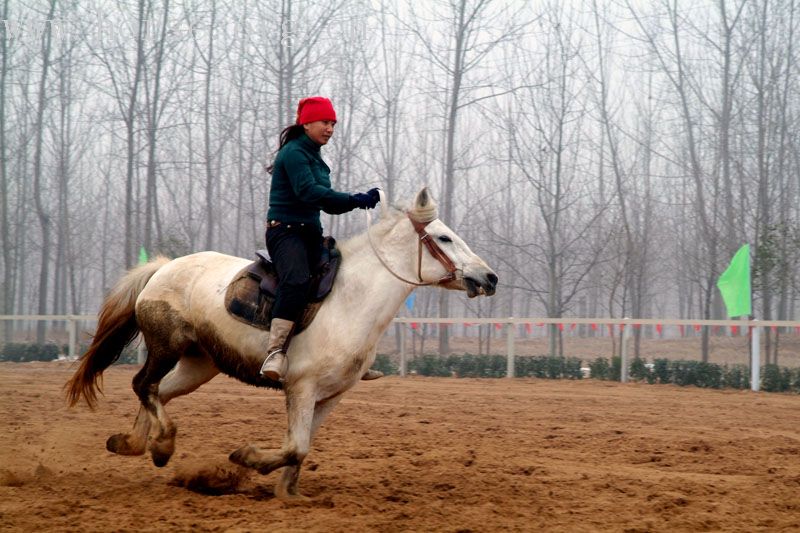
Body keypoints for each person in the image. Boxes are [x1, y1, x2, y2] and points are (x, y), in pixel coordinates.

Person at [260, 96, 381, 382]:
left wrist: (360, 201)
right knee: (297, 280)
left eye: (333, 123)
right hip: (285, 233)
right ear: (307, 123)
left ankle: (348, 356)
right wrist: (354, 199)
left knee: (341, 279)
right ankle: (275, 351)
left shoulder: (315, 157)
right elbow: (309, 192)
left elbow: (327, 204)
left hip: (309, 234)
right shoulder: (293, 153)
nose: (330, 128)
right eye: (325, 122)